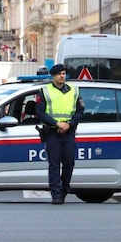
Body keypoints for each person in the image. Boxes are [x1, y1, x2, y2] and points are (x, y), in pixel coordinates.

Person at [35, 64, 84, 205]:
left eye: (63, 73)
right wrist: (57, 124)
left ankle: (64, 190)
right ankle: (56, 194)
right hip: (52, 132)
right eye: (59, 74)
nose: (62, 76)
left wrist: (69, 124)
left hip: (68, 132)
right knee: (54, 164)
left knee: (69, 163)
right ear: (53, 76)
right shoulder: (45, 91)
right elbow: (40, 112)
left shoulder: (74, 91)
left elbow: (80, 111)